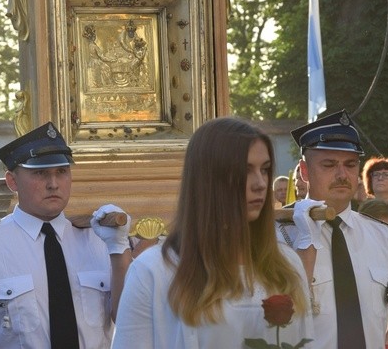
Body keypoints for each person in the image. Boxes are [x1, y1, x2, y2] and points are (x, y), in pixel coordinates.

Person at [111, 117, 312, 348]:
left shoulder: (287, 267)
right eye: (245, 170)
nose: (260, 183)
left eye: (265, 170)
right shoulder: (154, 271)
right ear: (209, 179)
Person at [0, 121, 132, 348]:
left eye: (62, 172)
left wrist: (119, 250)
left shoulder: (98, 241)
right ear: (12, 181)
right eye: (40, 173)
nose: (53, 184)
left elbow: (128, 322)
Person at [280, 110, 388, 349]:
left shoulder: (384, 237)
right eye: (329, 164)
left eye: (350, 164)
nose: (342, 174)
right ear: (304, 171)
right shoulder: (278, 236)